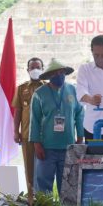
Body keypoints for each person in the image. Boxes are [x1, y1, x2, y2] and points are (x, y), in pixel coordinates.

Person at [29, 58, 84, 194]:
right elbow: (34, 120)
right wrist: (36, 144)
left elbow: (79, 114)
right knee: (43, 185)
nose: (59, 75)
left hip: (68, 146)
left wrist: (81, 136)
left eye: (61, 72)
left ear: (65, 73)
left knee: (67, 185)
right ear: (48, 76)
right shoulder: (39, 94)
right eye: (54, 73)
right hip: (46, 148)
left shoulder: (73, 90)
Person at [12, 57, 45, 195]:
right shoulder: (21, 89)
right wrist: (15, 131)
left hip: (45, 136)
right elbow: (18, 111)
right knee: (29, 170)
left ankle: (45, 199)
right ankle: (32, 201)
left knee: (44, 170)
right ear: (27, 70)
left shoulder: (48, 87)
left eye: (38, 67)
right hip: (27, 135)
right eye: (32, 68)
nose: (35, 70)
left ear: (43, 69)